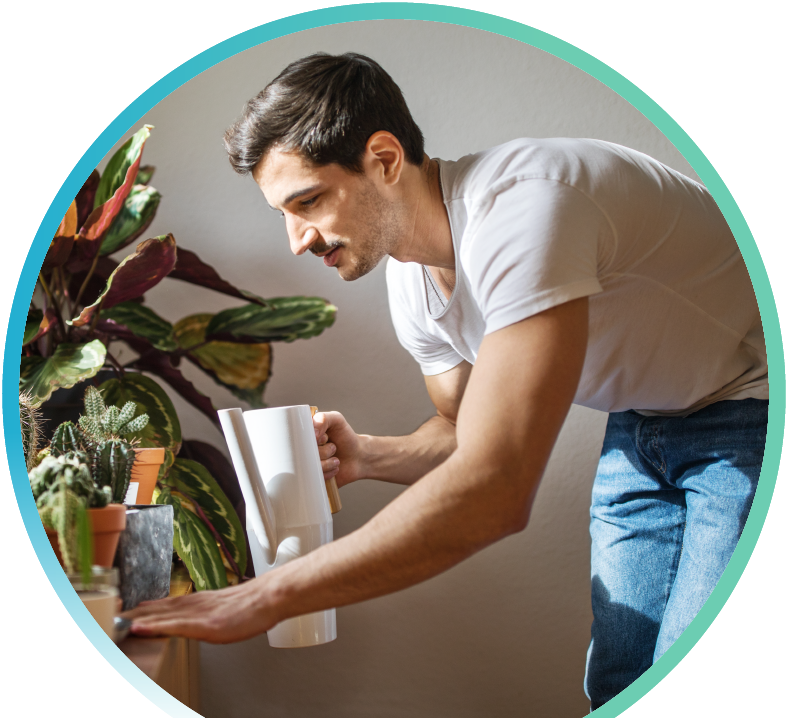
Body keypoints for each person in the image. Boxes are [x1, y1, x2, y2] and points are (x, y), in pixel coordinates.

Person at [125, 53, 768, 709]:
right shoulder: (413, 279)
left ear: (383, 158)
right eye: (281, 213)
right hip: (640, 425)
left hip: (755, 404)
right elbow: (468, 432)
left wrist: (270, 593)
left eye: (308, 201)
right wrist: (371, 455)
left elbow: (496, 487)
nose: (296, 240)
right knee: (617, 687)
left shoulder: (525, 211)